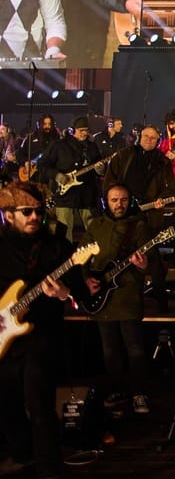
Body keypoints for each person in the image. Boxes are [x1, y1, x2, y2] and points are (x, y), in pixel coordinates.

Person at [0, 182, 84, 478]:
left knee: (40, 405)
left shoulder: (58, 247)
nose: (35, 217)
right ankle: (23, 455)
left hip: (43, 338)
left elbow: (80, 290)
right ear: (8, 215)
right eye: (26, 212)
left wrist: (64, 293)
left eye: (38, 211)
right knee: (6, 402)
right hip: (6, 340)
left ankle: (50, 468)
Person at [80, 184, 159, 414]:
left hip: (128, 296)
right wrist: (86, 279)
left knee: (135, 348)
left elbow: (151, 261)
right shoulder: (96, 226)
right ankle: (117, 391)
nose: (119, 204)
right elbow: (81, 257)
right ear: (107, 201)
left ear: (129, 201)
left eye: (123, 200)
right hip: (102, 297)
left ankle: (138, 393)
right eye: (114, 200)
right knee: (110, 349)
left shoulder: (139, 227)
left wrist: (143, 266)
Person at [36, 116, 103, 240]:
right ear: (72, 130)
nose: (84, 133)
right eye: (81, 130)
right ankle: (65, 257)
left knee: (94, 232)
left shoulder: (92, 147)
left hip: (87, 195)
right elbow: (42, 164)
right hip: (65, 196)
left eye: (86, 130)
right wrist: (56, 175)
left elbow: (99, 164)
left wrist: (100, 170)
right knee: (64, 233)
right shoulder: (58, 146)